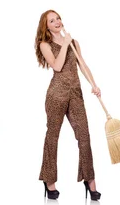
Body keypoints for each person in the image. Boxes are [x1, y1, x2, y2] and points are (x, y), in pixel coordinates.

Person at [34, 10, 102, 201]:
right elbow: (57, 66)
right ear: (46, 26)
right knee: (52, 136)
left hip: (75, 94)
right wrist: (64, 43)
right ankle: (49, 181)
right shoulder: (45, 44)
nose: (57, 22)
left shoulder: (74, 43)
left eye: (58, 18)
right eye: (52, 20)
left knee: (84, 136)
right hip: (56, 94)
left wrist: (94, 84)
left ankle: (90, 181)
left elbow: (83, 65)